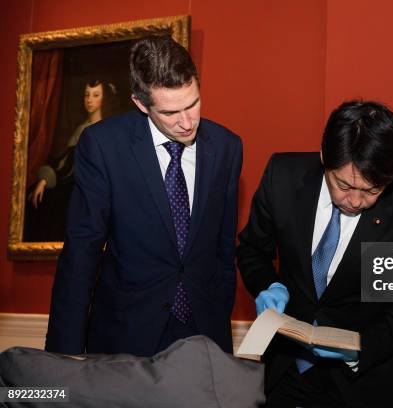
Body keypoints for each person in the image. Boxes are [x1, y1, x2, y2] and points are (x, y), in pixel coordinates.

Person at [45, 35, 242, 357]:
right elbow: (82, 250)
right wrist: (63, 351)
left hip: (204, 334)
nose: (187, 122)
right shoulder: (103, 146)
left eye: (192, 103)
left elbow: (223, 248)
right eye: (169, 112)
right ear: (140, 103)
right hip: (125, 334)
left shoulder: (227, 147)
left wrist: (219, 323)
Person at [238, 100, 393, 407]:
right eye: (343, 184)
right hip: (286, 368)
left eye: (372, 190)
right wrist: (268, 285)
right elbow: (252, 249)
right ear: (323, 157)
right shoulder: (283, 175)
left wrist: (361, 347)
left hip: (361, 381)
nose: (356, 201)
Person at [25, 79, 117, 242]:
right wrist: (46, 178)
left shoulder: (107, 127)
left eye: (95, 95)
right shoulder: (81, 128)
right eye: (86, 95)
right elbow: (66, 161)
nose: (89, 99)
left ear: (105, 98)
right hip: (73, 179)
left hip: (95, 185)